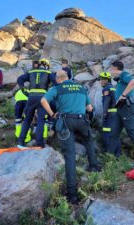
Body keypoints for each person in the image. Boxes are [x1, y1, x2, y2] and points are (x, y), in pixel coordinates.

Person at [41, 70, 100, 204]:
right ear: (68, 77)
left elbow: (43, 100)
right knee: (89, 140)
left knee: (69, 155)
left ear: (58, 79)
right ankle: (93, 166)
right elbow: (90, 108)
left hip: (66, 122)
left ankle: (72, 195)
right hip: (81, 120)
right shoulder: (81, 87)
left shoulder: (57, 88)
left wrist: (52, 114)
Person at [109, 61, 134, 168]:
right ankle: (108, 160)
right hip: (120, 109)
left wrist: (123, 95)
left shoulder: (124, 74)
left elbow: (133, 82)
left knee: (132, 133)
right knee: (114, 133)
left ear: (116, 68)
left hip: (127, 108)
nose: (110, 72)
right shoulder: (120, 80)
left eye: (111, 69)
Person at [17, 58, 56, 148]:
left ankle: (20, 142)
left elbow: (20, 79)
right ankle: (40, 144)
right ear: (47, 65)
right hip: (43, 98)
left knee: (27, 119)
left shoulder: (31, 72)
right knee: (41, 120)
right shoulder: (49, 73)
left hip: (31, 97)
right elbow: (56, 84)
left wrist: (24, 90)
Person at [99, 72, 121, 157]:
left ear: (105, 80)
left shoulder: (106, 89)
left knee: (106, 133)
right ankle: (118, 154)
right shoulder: (113, 88)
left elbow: (106, 102)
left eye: (101, 79)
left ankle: (108, 154)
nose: (100, 81)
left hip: (109, 114)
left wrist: (104, 114)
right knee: (115, 134)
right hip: (116, 113)